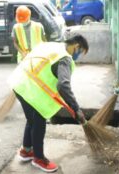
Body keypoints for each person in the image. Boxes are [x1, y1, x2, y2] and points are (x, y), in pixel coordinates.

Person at [8, 34, 89, 173]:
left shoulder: (52, 45)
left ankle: (26, 150)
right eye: (81, 53)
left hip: (19, 83)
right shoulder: (64, 59)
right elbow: (63, 85)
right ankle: (39, 158)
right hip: (32, 92)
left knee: (31, 120)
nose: (78, 56)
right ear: (77, 47)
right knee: (38, 123)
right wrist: (76, 109)